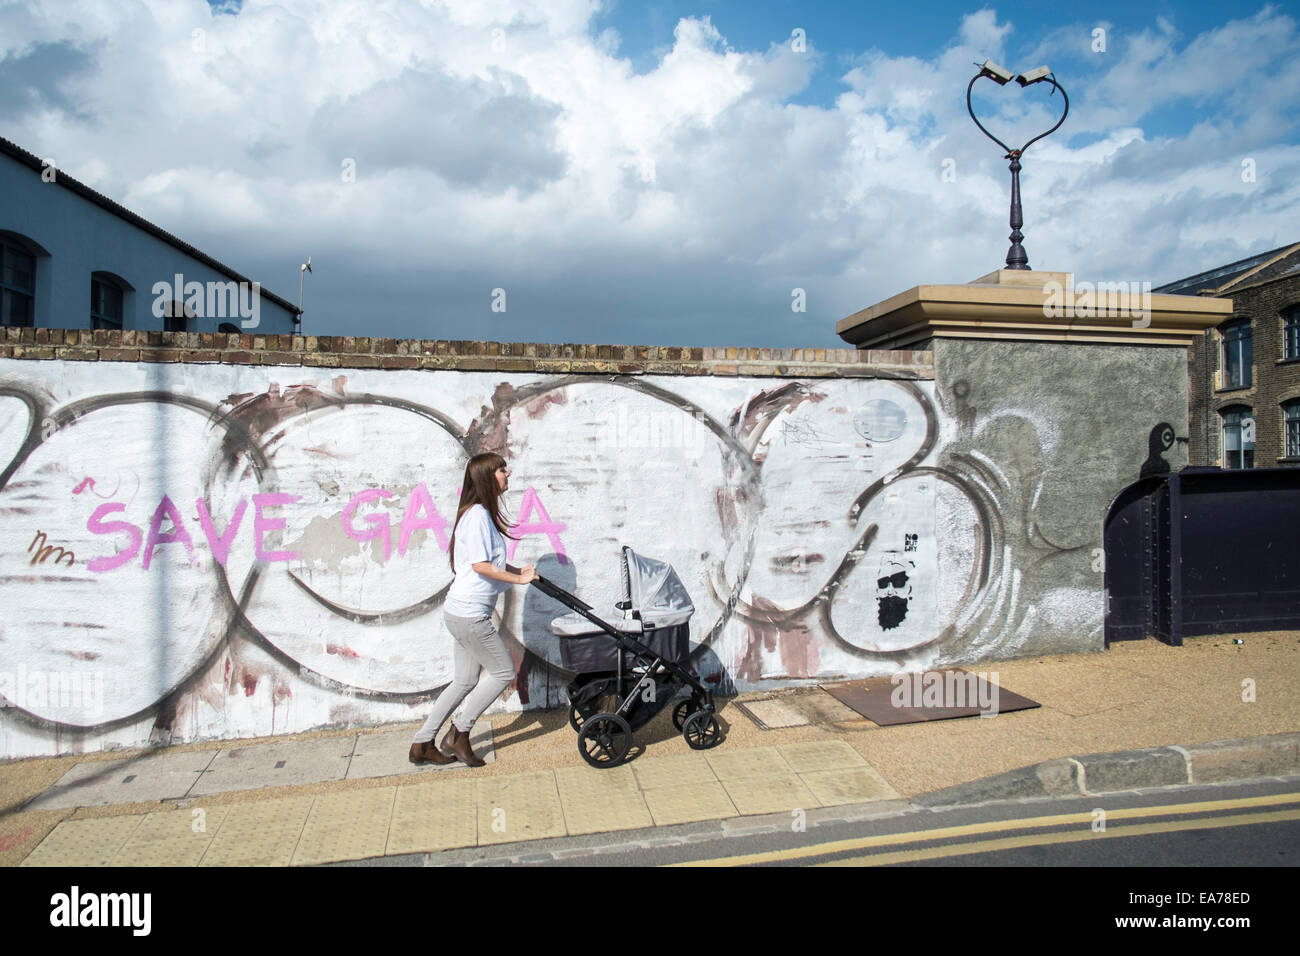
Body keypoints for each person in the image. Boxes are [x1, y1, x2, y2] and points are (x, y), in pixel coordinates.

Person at [409, 453, 538, 767]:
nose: (508, 473)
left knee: (465, 680)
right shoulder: (479, 515)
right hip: (470, 613)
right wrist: (519, 578)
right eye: (502, 470)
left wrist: (515, 568)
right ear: (487, 477)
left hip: (460, 611)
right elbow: (482, 567)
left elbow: (489, 562)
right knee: (504, 672)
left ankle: (422, 743)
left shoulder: (479, 514)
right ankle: (459, 734)